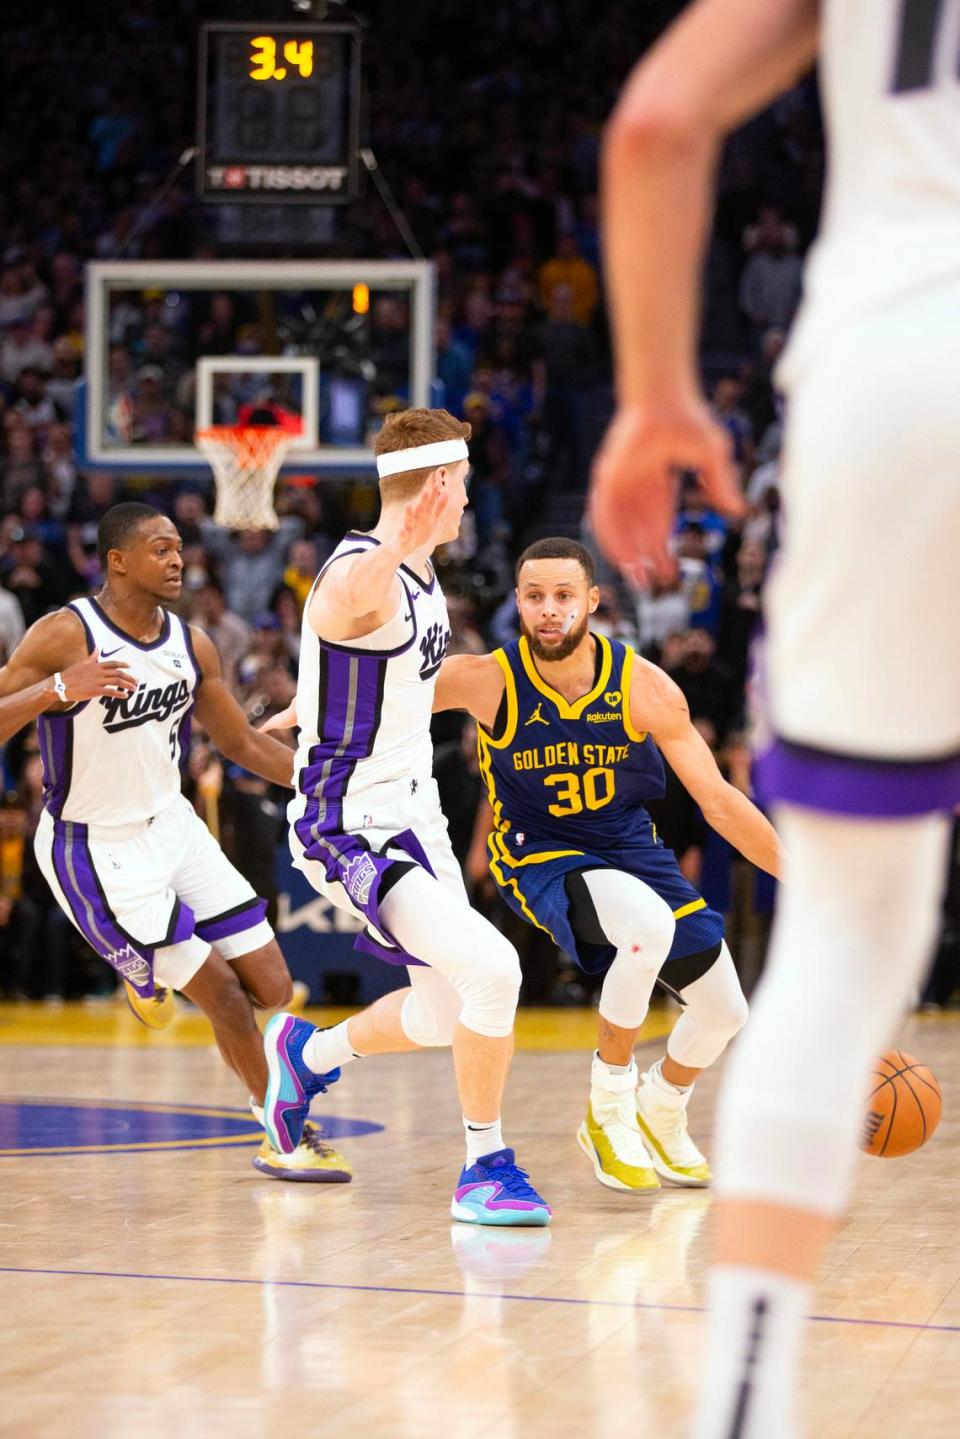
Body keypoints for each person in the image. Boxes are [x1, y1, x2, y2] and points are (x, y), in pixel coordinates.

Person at [589, 5, 960, 1436]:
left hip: (889, 374)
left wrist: (655, 392)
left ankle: (748, 1396)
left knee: (850, 937)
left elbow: (659, 124)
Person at [0, 501, 351, 1184]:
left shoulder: (192, 645)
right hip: (96, 847)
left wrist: (329, 785)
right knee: (221, 993)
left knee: (274, 986)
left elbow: (244, 743)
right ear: (117, 560)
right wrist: (56, 689)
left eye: (179, 549)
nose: (176, 560)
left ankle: (142, 969)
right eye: (160, 548)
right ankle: (280, 1128)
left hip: (173, 825)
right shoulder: (63, 633)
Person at [261, 408, 551, 1227]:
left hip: (413, 806)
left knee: (443, 1013)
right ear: (438, 484)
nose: (469, 500)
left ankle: (304, 1056)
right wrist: (396, 538)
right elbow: (347, 600)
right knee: (494, 971)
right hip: (349, 822)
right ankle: (485, 1167)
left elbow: (374, 662)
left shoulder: (420, 575)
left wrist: (310, 701)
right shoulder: (364, 570)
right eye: (460, 485)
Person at [434, 537, 780, 1192]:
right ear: (517, 603)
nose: (549, 610)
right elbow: (380, 704)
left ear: (592, 601)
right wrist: (308, 714)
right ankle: (609, 1106)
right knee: (647, 926)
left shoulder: (645, 686)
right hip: (537, 849)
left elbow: (720, 802)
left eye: (564, 595)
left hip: (627, 845)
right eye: (535, 596)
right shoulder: (488, 678)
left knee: (725, 1012)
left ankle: (662, 1105)